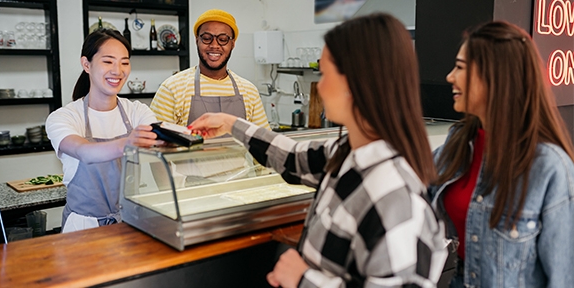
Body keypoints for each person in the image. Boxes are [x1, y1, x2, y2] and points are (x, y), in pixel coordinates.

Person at [189, 13, 447, 288]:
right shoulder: (347, 153)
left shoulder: (395, 199)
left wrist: (302, 278)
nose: (319, 87)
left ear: (355, 83)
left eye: (324, 73)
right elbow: (291, 157)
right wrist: (230, 124)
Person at [429, 21, 574, 288]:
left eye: (460, 67)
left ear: (494, 76)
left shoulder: (550, 167)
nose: (449, 77)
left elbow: (563, 277)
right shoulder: (458, 144)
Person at [46, 29, 163, 233]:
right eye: (108, 61)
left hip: (130, 223)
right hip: (82, 228)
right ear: (86, 64)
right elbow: (85, 152)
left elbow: (161, 143)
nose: (117, 71)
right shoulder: (64, 117)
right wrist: (128, 143)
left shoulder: (137, 111)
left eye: (124, 62)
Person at [150, 8, 270, 129]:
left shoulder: (249, 91)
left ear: (232, 44)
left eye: (223, 39)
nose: (214, 45)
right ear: (197, 40)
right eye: (207, 38)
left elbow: (263, 141)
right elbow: (155, 143)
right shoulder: (172, 88)